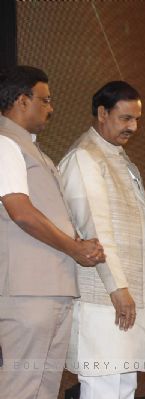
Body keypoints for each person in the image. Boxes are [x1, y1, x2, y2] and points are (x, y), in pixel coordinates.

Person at [0, 66, 105, 399]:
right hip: (27, 290)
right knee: (21, 386)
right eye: (44, 100)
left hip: (52, 288)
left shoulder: (35, 152)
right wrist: (75, 248)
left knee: (44, 387)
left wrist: (81, 246)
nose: (51, 108)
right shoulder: (5, 144)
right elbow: (21, 212)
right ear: (21, 100)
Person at [58, 81, 145, 399]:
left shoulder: (119, 158)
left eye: (137, 119)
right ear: (102, 113)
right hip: (103, 296)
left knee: (124, 385)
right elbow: (95, 230)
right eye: (125, 118)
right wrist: (118, 288)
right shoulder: (85, 158)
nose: (133, 126)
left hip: (126, 293)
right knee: (101, 385)